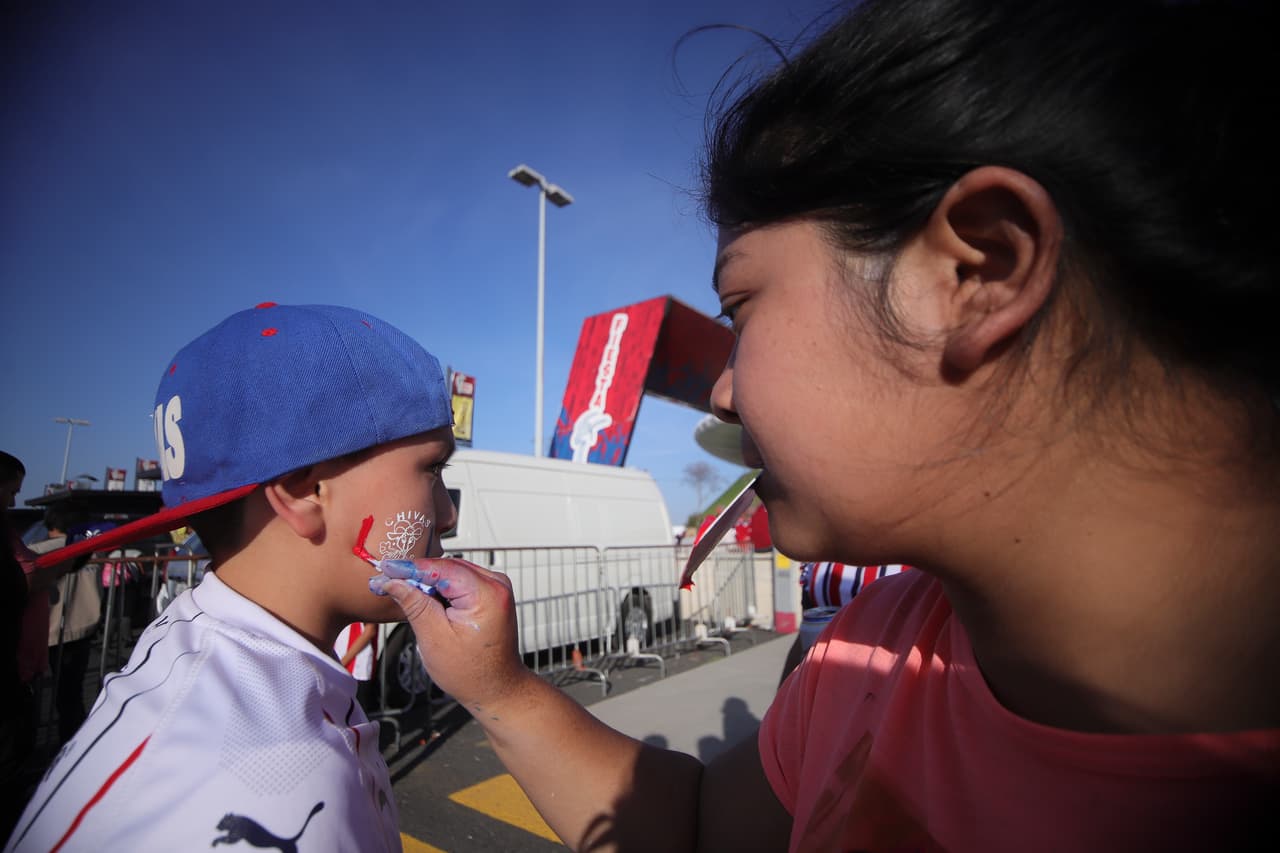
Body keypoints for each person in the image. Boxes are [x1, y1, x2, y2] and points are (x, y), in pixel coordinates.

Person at [374, 2, 1280, 849]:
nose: (723, 395)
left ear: (974, 275)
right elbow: (700, 830)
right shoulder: (874, 644)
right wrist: (500, 688)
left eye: (739, 305)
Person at [5, 303, 457, 852]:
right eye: (432, 469)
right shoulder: (259, 781)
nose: (448, 516)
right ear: (301, 491)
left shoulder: (224, 666)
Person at [30, 508, 102, 746]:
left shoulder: (36, 551)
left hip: (43, 632)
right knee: (72, 696)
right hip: (82, 627)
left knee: (36, 696)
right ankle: (74, 748)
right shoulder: (92, 549)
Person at [778, 562, 911, 685]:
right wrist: (781, 700)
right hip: (822, 691)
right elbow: (807, 635)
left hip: (894, 689)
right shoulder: (820, 552)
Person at [334, 621, 379, 713]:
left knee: (356, 715)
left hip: (357, 667)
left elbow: (369, 631)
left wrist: (342, 661)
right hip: (340, 665)